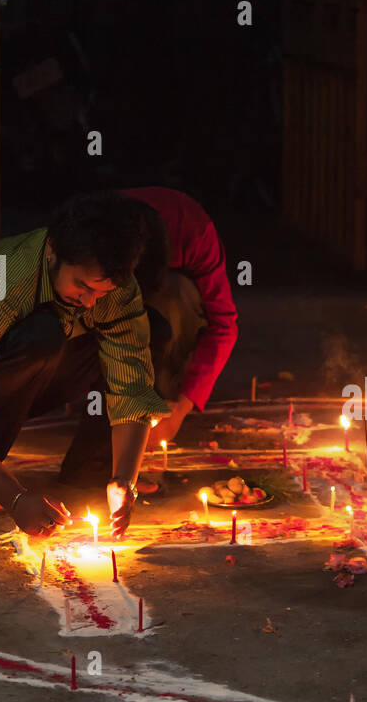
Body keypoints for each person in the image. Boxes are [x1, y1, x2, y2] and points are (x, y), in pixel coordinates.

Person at [0, 190, 173, 539]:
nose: (91, 303)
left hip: (34, 367)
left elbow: (132, 384)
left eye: (101, 293)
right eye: (81, 286)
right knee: (41, 335)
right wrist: (15, 499)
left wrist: (126, 479)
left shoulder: (114, 284)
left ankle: (93, 471)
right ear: (52, 252)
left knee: (154, 330)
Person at [57, 187, 238, 494]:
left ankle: (149, 416)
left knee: (168, 306)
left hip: (169, 305)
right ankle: (102, 445)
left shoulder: (193, 232)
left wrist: (181, 407)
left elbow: (224, 324)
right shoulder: (96, 234)